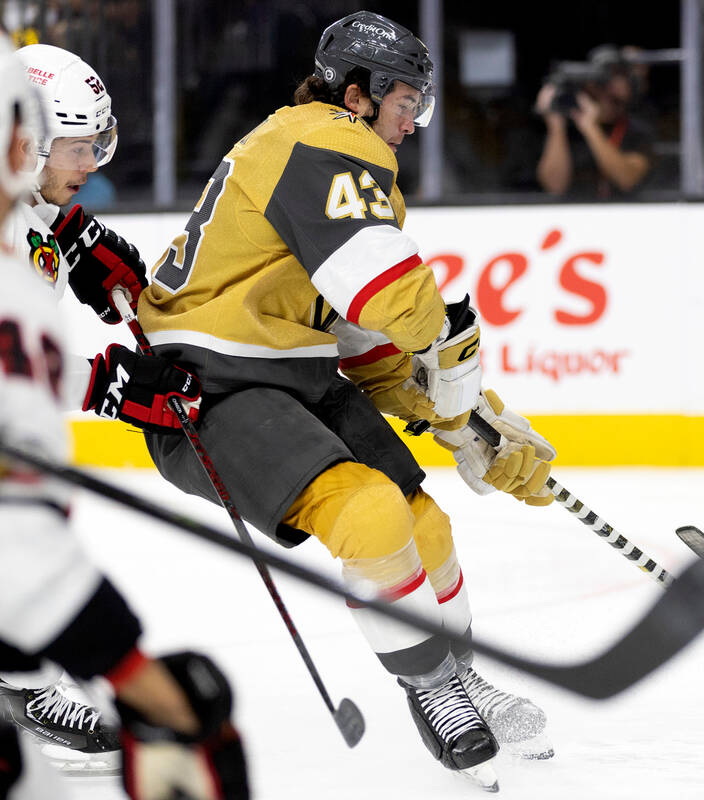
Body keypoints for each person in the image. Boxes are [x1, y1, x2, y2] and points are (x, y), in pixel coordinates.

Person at [136, 10, 557, 788]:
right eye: (406, 103)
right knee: (367, 510)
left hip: (290, 371)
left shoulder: (333, 162)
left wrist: (465, 420)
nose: (412, 123)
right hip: (211, 381)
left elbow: (370, 342)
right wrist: (458, 384)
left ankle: (459, 678)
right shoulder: (326, 142)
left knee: (422, 524)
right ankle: (433, 690)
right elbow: (399, 299)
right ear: (358, 93)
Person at [0, 37, 249, 800]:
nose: (91, 164)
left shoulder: (26, 223)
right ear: (26, 139)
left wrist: (70, 237)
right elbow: (16, 539)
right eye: (79, 146)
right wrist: (113, 386)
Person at [535, 45, 654, 199]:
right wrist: (556, 126)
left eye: (615, 79)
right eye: (599, 83)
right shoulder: (567, 130)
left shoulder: (638, 131)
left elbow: (627, 179)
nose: (606, 90)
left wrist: (590, 128)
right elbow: (554, 186)